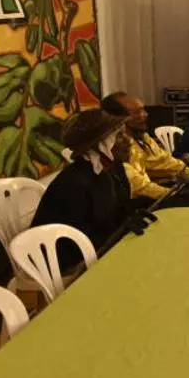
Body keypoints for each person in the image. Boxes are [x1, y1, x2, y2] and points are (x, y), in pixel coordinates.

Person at [32, 109, 137, 266]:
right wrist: (120, 232)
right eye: (118, 136)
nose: (128, 140)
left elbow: (118, 209)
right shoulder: (73, 185)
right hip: (66, 262)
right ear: (100, 146)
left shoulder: (114, 168)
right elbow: (76, 244)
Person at [101, 92, 189, 200]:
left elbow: (164, 162)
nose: (144, 115)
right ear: (116, 118)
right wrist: (175, 195)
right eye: (136, 112)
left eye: (143, 110)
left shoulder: (142, 137)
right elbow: (139, 186)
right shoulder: (114, 146)